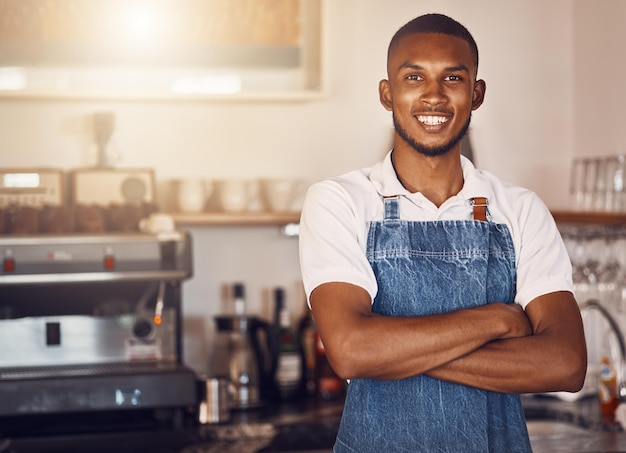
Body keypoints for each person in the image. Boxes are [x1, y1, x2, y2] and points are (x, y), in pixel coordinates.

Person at [298, 13, 587, 453]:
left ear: (476, 94)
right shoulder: (340, 201)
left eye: (452, 78)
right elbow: (351, 351)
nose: (433, 96)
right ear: (386, 93)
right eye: (414, 76)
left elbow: (565, 364)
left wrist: (395, 350)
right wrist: (499, 319)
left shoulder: (520, 209)